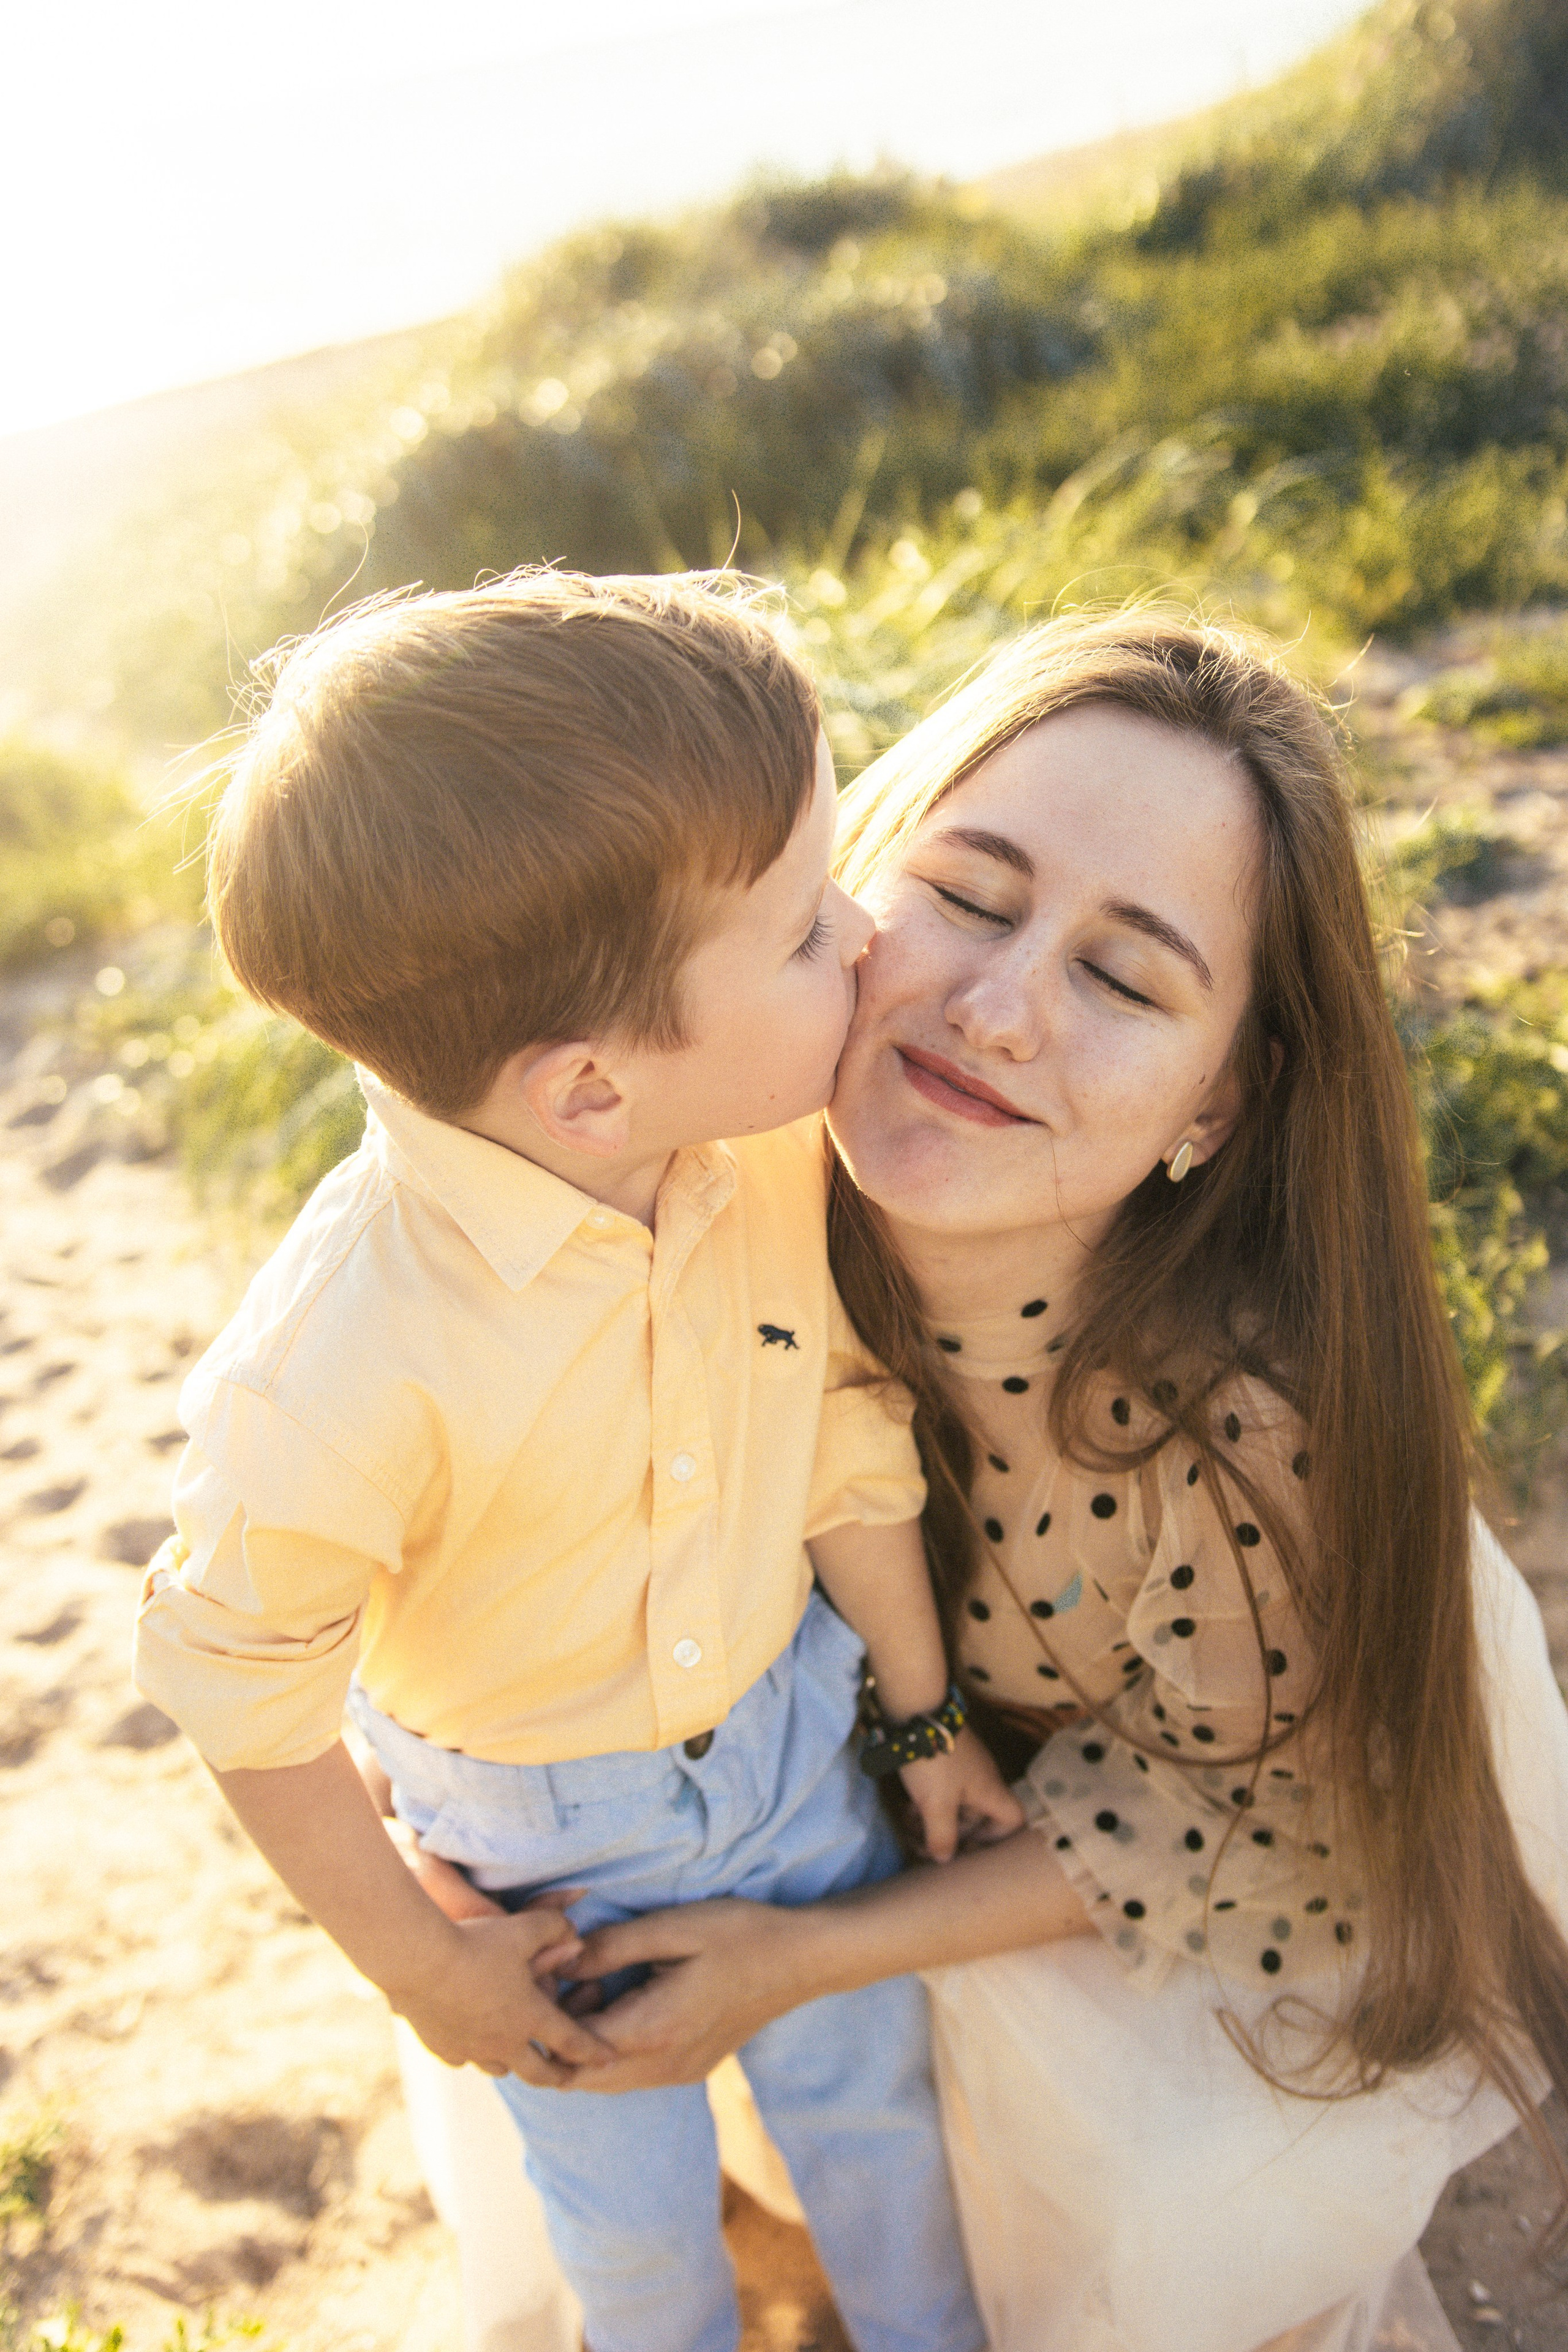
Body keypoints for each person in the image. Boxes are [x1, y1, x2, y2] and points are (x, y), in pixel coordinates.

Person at [552, 609, 1568, 2352]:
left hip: (1224, 1826)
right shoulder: (698, 1193)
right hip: (861, 1776)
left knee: (1165, 2196)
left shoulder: (1235, 1431)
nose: (997, 1010)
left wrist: (802, 1955)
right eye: (968, 894)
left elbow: (1230, 1822)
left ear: (1217, 1102)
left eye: (1126, 980)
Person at [131, 570, 1019, 2352]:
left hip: (795, 1755)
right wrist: (424, 1963)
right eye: (801, 929)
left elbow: (844, 1440)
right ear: (589, 1089)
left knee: (884, 2141)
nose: (864, 933)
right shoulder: (338, 1360)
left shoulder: (762, 1157)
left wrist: (924, 1720)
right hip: (545, 1865)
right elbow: (239, 1686)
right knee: (636, 2249)